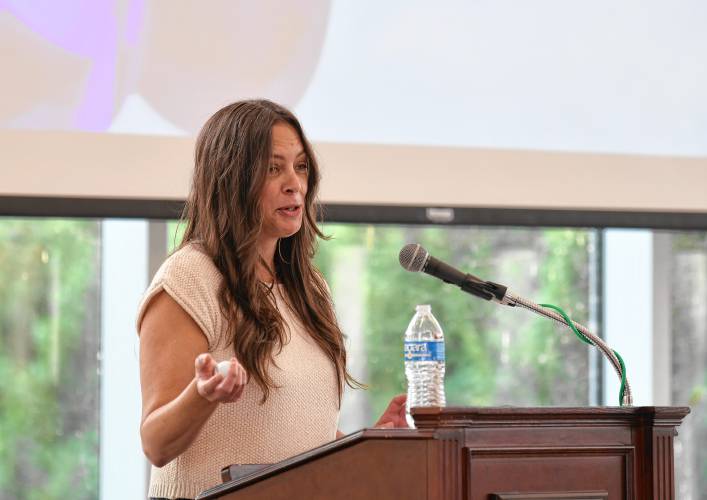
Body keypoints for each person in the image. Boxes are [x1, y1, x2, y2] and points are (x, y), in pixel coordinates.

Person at [136, 99, 408, 499]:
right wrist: (203, 394)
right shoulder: (188, 279)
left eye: (300, 167)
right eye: (272, 168)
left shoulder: (310, 289)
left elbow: (299, 437)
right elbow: (156, 443)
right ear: (231, 179)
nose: (294, 183)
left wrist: (366, 444)